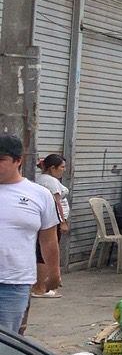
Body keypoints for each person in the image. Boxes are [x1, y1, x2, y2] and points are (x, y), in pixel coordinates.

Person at [0, 135, 60, 333]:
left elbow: (49, 239)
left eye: (1, 160)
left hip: (14, 282)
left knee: (8, 344)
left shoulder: (39, 195)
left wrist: (54, 272)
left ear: (19, 160)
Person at [32, 154, 70, 299]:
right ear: (52, 168)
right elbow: (57, 203)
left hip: (47, 221)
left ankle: (39, 286)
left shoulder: (42, 180)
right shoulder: (50, 182)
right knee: (43, 254)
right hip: (50, 222)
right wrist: (62, 222)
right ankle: (41, 287)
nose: (63, 170)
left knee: (40, 253)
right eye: (62, 167)